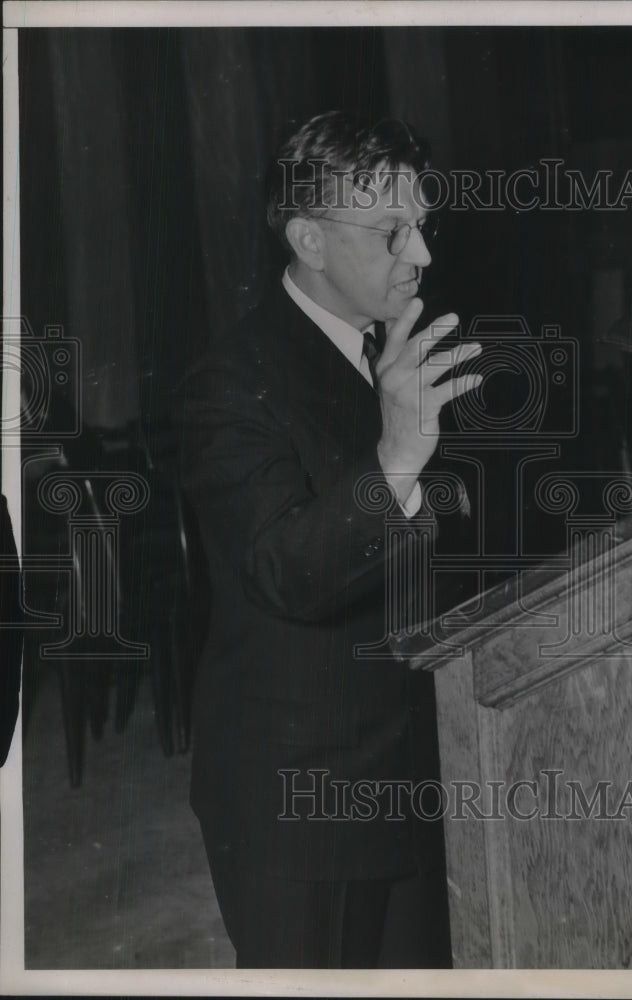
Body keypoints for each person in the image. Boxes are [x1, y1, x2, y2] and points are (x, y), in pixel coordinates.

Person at [178, 110, 481, 968]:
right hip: (296, 808)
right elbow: (285, 573)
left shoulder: (398, 351)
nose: (419, 254)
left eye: (422, 224)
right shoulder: (229, 383)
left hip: (416, 778)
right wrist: (393, 455)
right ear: (308, 240)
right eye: (391, 232)